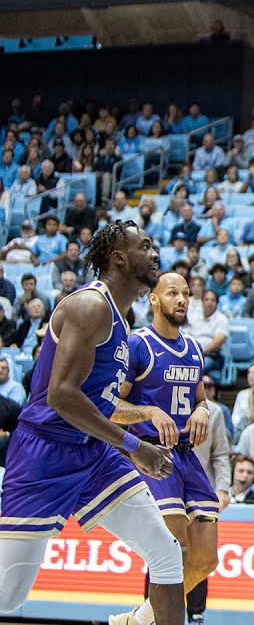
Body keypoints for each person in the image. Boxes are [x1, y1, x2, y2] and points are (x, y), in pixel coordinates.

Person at [0, 222, 185, 625]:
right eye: (146, 246)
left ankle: (134, 622)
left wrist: (141, 419)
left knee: (166, 551)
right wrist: (136, 446)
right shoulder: (90, 306)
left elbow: (97, 401)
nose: (155, 254)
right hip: (43, 454)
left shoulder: (124, 316)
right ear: (118, 257)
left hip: (93, 453)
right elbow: (62, 395)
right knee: (7, 596)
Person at [110, 273, 219, 625]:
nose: (183, 299)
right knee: (173, 552)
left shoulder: (194, 348)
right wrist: (150, 412)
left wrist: (203, 411)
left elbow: (201, 399)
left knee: (205, 559)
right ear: (154, 299)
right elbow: (109, 405)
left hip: (186, 456)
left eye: (187, 293)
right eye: (173, 292)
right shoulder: (137, 343)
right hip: (151, 455)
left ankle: (141, 618)